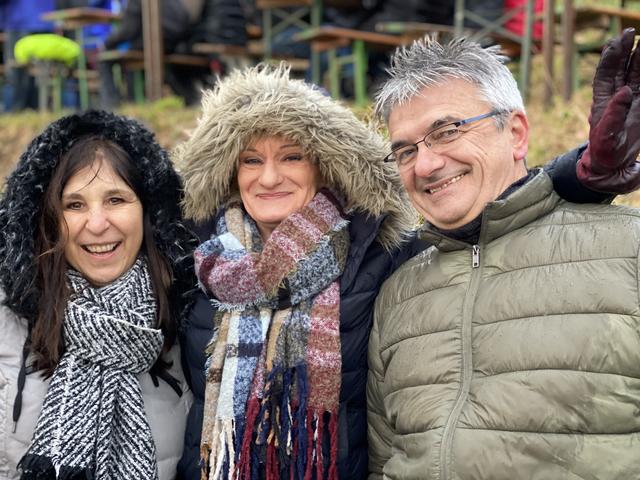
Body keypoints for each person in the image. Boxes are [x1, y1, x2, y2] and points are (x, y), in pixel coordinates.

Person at [173, 60, 640, 479]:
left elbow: (493, 216)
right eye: (251, 160)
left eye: (293, 156)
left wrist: (576, 177)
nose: (269, 177)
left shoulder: (379, 255)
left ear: (327, 166)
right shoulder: (193, 261)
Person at [367, 29, 640, 479]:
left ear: (515, 133)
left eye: (447, 131)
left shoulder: (629, 252)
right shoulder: (398, 292)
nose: (425, 165)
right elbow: (383, 460)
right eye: (405, 151)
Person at [0, 110, 196, 480]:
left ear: (149, 212)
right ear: (48, 219)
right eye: (74, 205)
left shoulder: (188, 317)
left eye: (116, 199)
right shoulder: (8, 319)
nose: (97, 224)